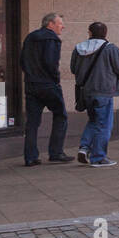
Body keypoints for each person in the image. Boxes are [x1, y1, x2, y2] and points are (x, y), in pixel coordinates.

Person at [70, 22, 119, 168]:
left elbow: (73, 69)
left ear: (89, 33)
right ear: (105, 33)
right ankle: (98, 158)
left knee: (94, 120)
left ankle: (84, 147)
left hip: (86, 92)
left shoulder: (78, 49)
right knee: (103, 125)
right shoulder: (111, 49)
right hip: (104, 91)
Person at [21, 13, 70, 167]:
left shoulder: (30, 37)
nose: (63, 26)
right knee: (60, 115)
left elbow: (22, 61)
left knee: (32, 122)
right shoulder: (52, 39)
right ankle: (56, 152)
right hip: (48, 85)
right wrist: (55, 79)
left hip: (31, 84)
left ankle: (30, 157)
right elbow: (51, 63)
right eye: (60, 23)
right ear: (50, 24)